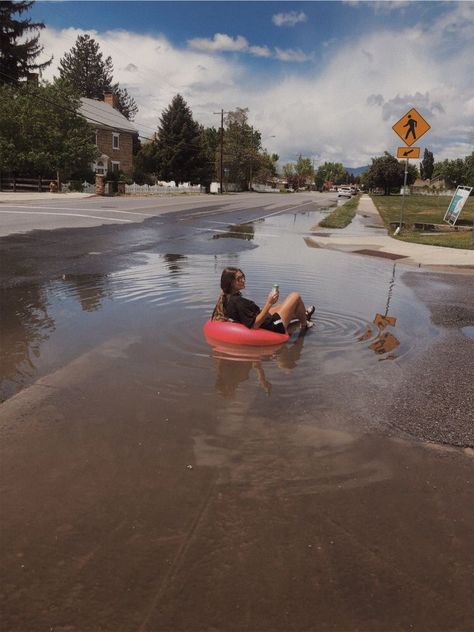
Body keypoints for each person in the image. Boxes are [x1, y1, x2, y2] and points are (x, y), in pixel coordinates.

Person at [211, 267, 315, 333]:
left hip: (262, 316)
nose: (243, 280)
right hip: (273, 325)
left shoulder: (226, 297)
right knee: (295, 296)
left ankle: (303, 315)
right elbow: (255, 325)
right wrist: (269, 303)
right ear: (231, 283)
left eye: (243, 277)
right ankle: (304, 324)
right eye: (239, 279)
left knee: (282, 306)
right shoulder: (238, 302)